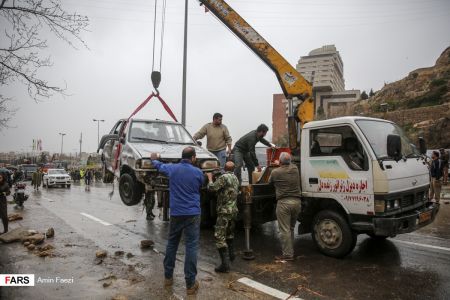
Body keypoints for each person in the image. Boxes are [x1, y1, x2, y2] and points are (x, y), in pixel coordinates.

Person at [151, 147, 204, 295]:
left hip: (176, 213)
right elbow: (201, 185)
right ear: (193, 158)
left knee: (172, 243)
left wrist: (154, 158)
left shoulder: (172, 169)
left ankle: (168, 277)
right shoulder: (198, 172)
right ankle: (190, 284)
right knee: (191, 247)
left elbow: (159, 166)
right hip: (193, 214)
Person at [206, 161, 239, 273]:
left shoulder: (224, 177)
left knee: (219, 236)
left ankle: (225, 265)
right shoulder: (235, 177)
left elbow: (212, 189)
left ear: (224, 168)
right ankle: (232, 255)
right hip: (233, 210)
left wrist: (210, 178)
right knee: (229, 233)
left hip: (224, 211)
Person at [269, 152, 301, 261]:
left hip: (284, 203)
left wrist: (278, 165)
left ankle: (287, 255)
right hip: (297, 202)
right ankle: (290, 251)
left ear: (281, 162)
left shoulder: (275, 172)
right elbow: (289, 165)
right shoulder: (295, 169)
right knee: (291, 228)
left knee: (284, 230)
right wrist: (281, 163)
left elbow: (269, 183)